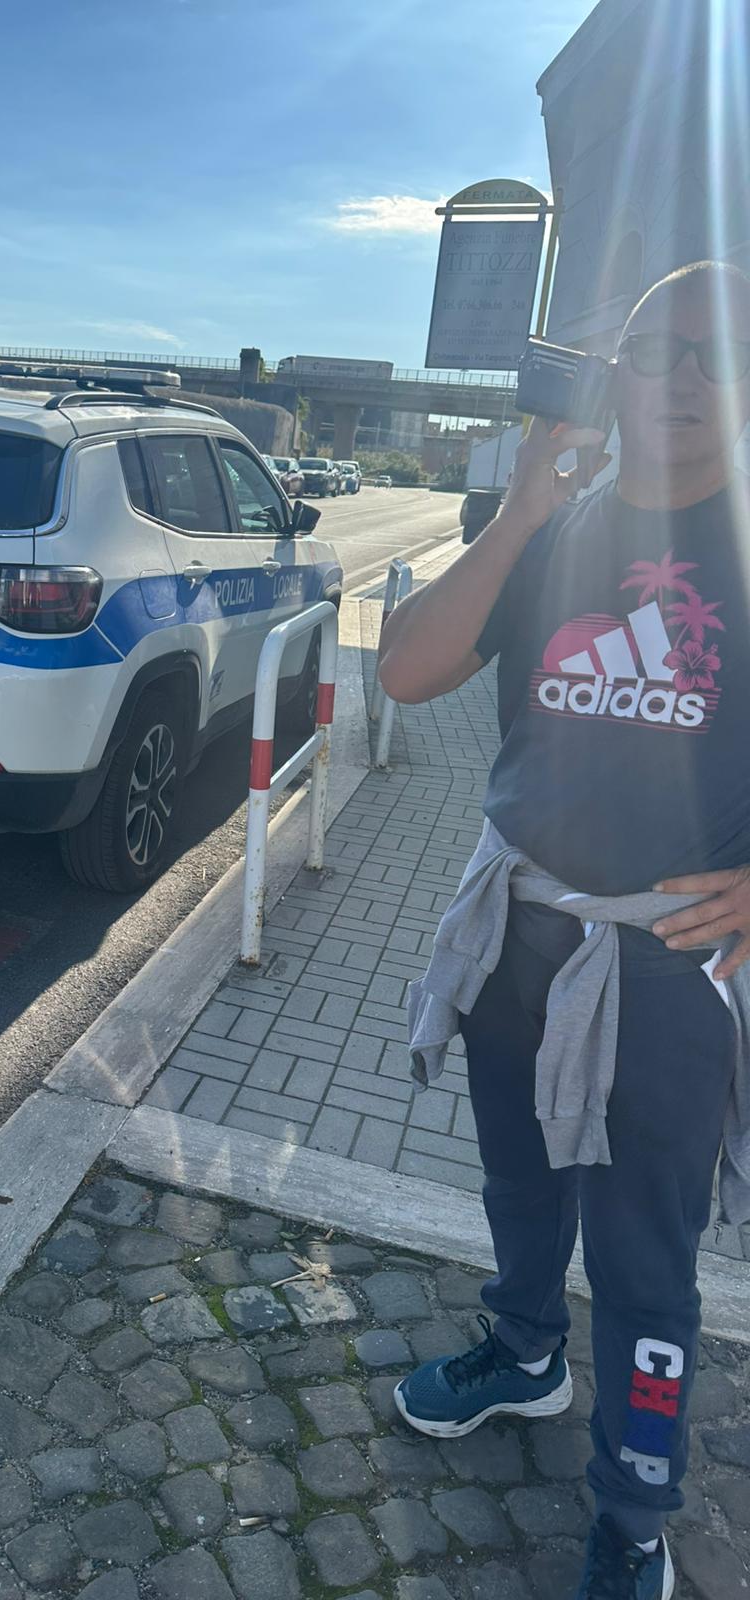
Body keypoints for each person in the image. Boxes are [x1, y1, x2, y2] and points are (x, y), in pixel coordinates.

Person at [377, 260, 750, 1600]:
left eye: (717, 354)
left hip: (669, 966)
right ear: (615, 376)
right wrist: (526, 506)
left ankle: (635, 1513)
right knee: (520, 1188)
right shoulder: (553, 528)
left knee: (647, 1257)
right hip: (519, 931)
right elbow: (405, 669)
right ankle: (525, 1352)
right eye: (656, 351)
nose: (683, 379)